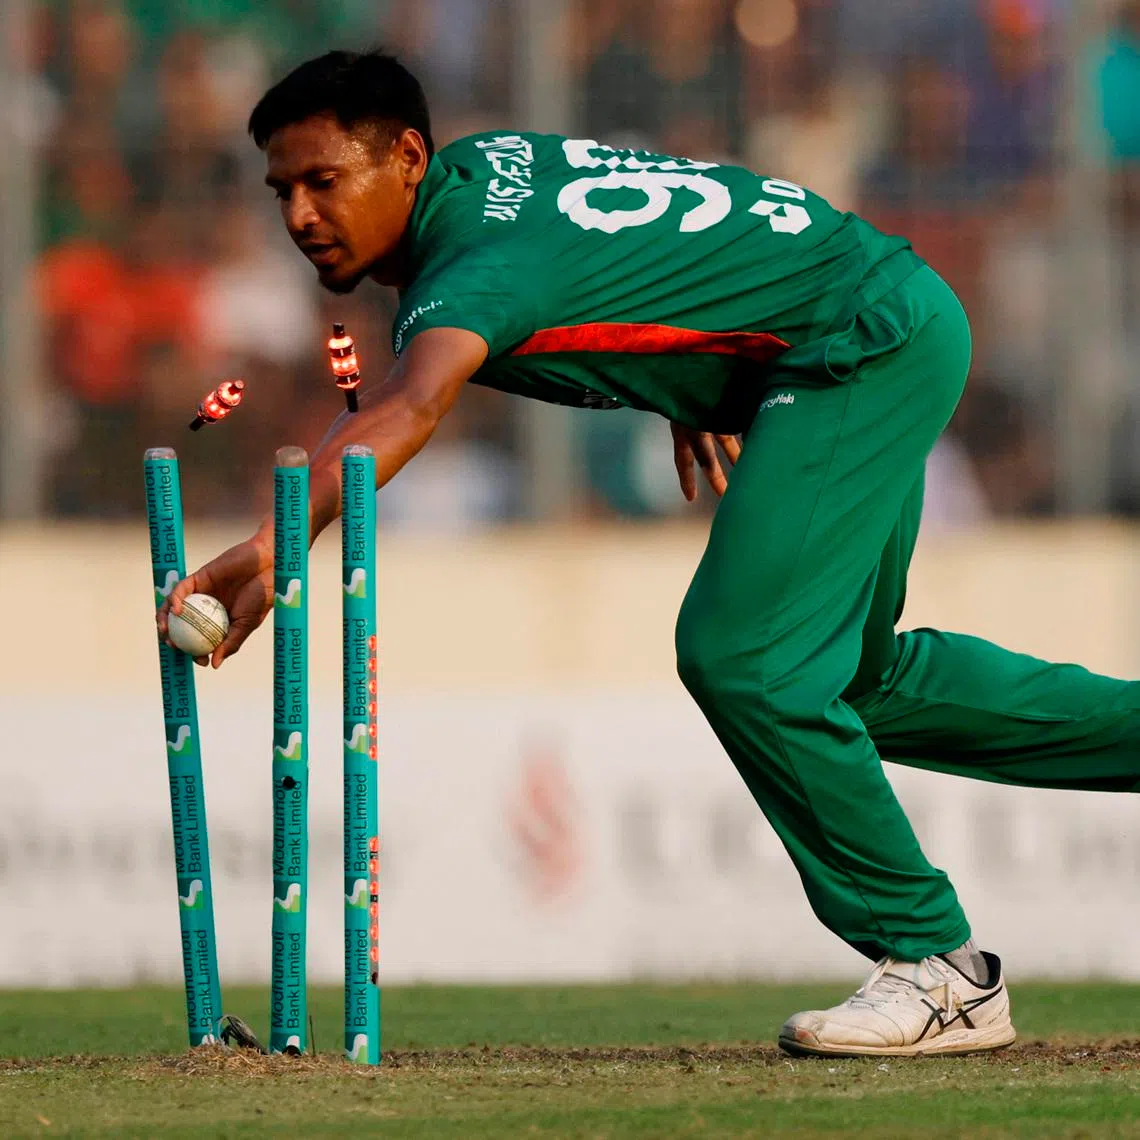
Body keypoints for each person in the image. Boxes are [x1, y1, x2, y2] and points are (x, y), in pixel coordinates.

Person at [158, 50, 1140, 1058]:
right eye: (283, 190)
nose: (300, 217)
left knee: (744, 655)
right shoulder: (490, 165)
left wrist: (273, 544)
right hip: (856, 319)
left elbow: (410, 406)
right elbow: (663, 210)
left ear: (407, 157)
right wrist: (699, 357)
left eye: (325, 181)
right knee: (854, 681)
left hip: (852, 346)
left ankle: (939, 967)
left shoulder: (470, 273)